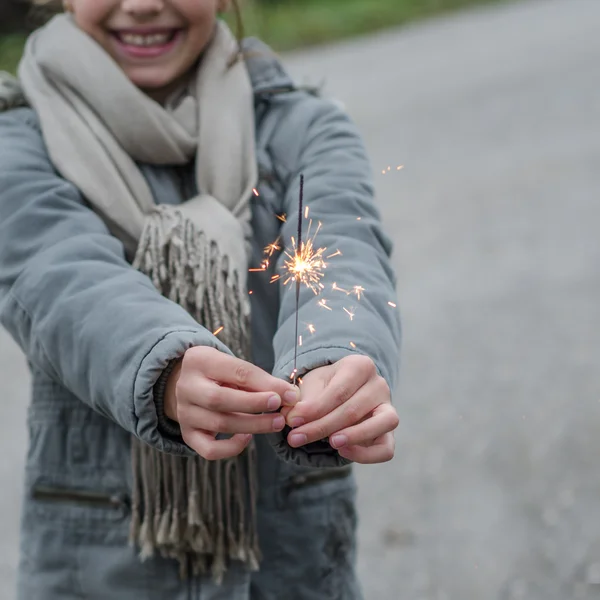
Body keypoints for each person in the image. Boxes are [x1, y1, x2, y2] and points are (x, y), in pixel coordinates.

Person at [0, 0, 401, 598]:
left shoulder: (306, 127)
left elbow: (339, 248)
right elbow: (56, 274)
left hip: (291, 559)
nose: (140, 5)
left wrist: (332, 357)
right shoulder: (17, 142)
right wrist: (160, 365)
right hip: (99, 566)